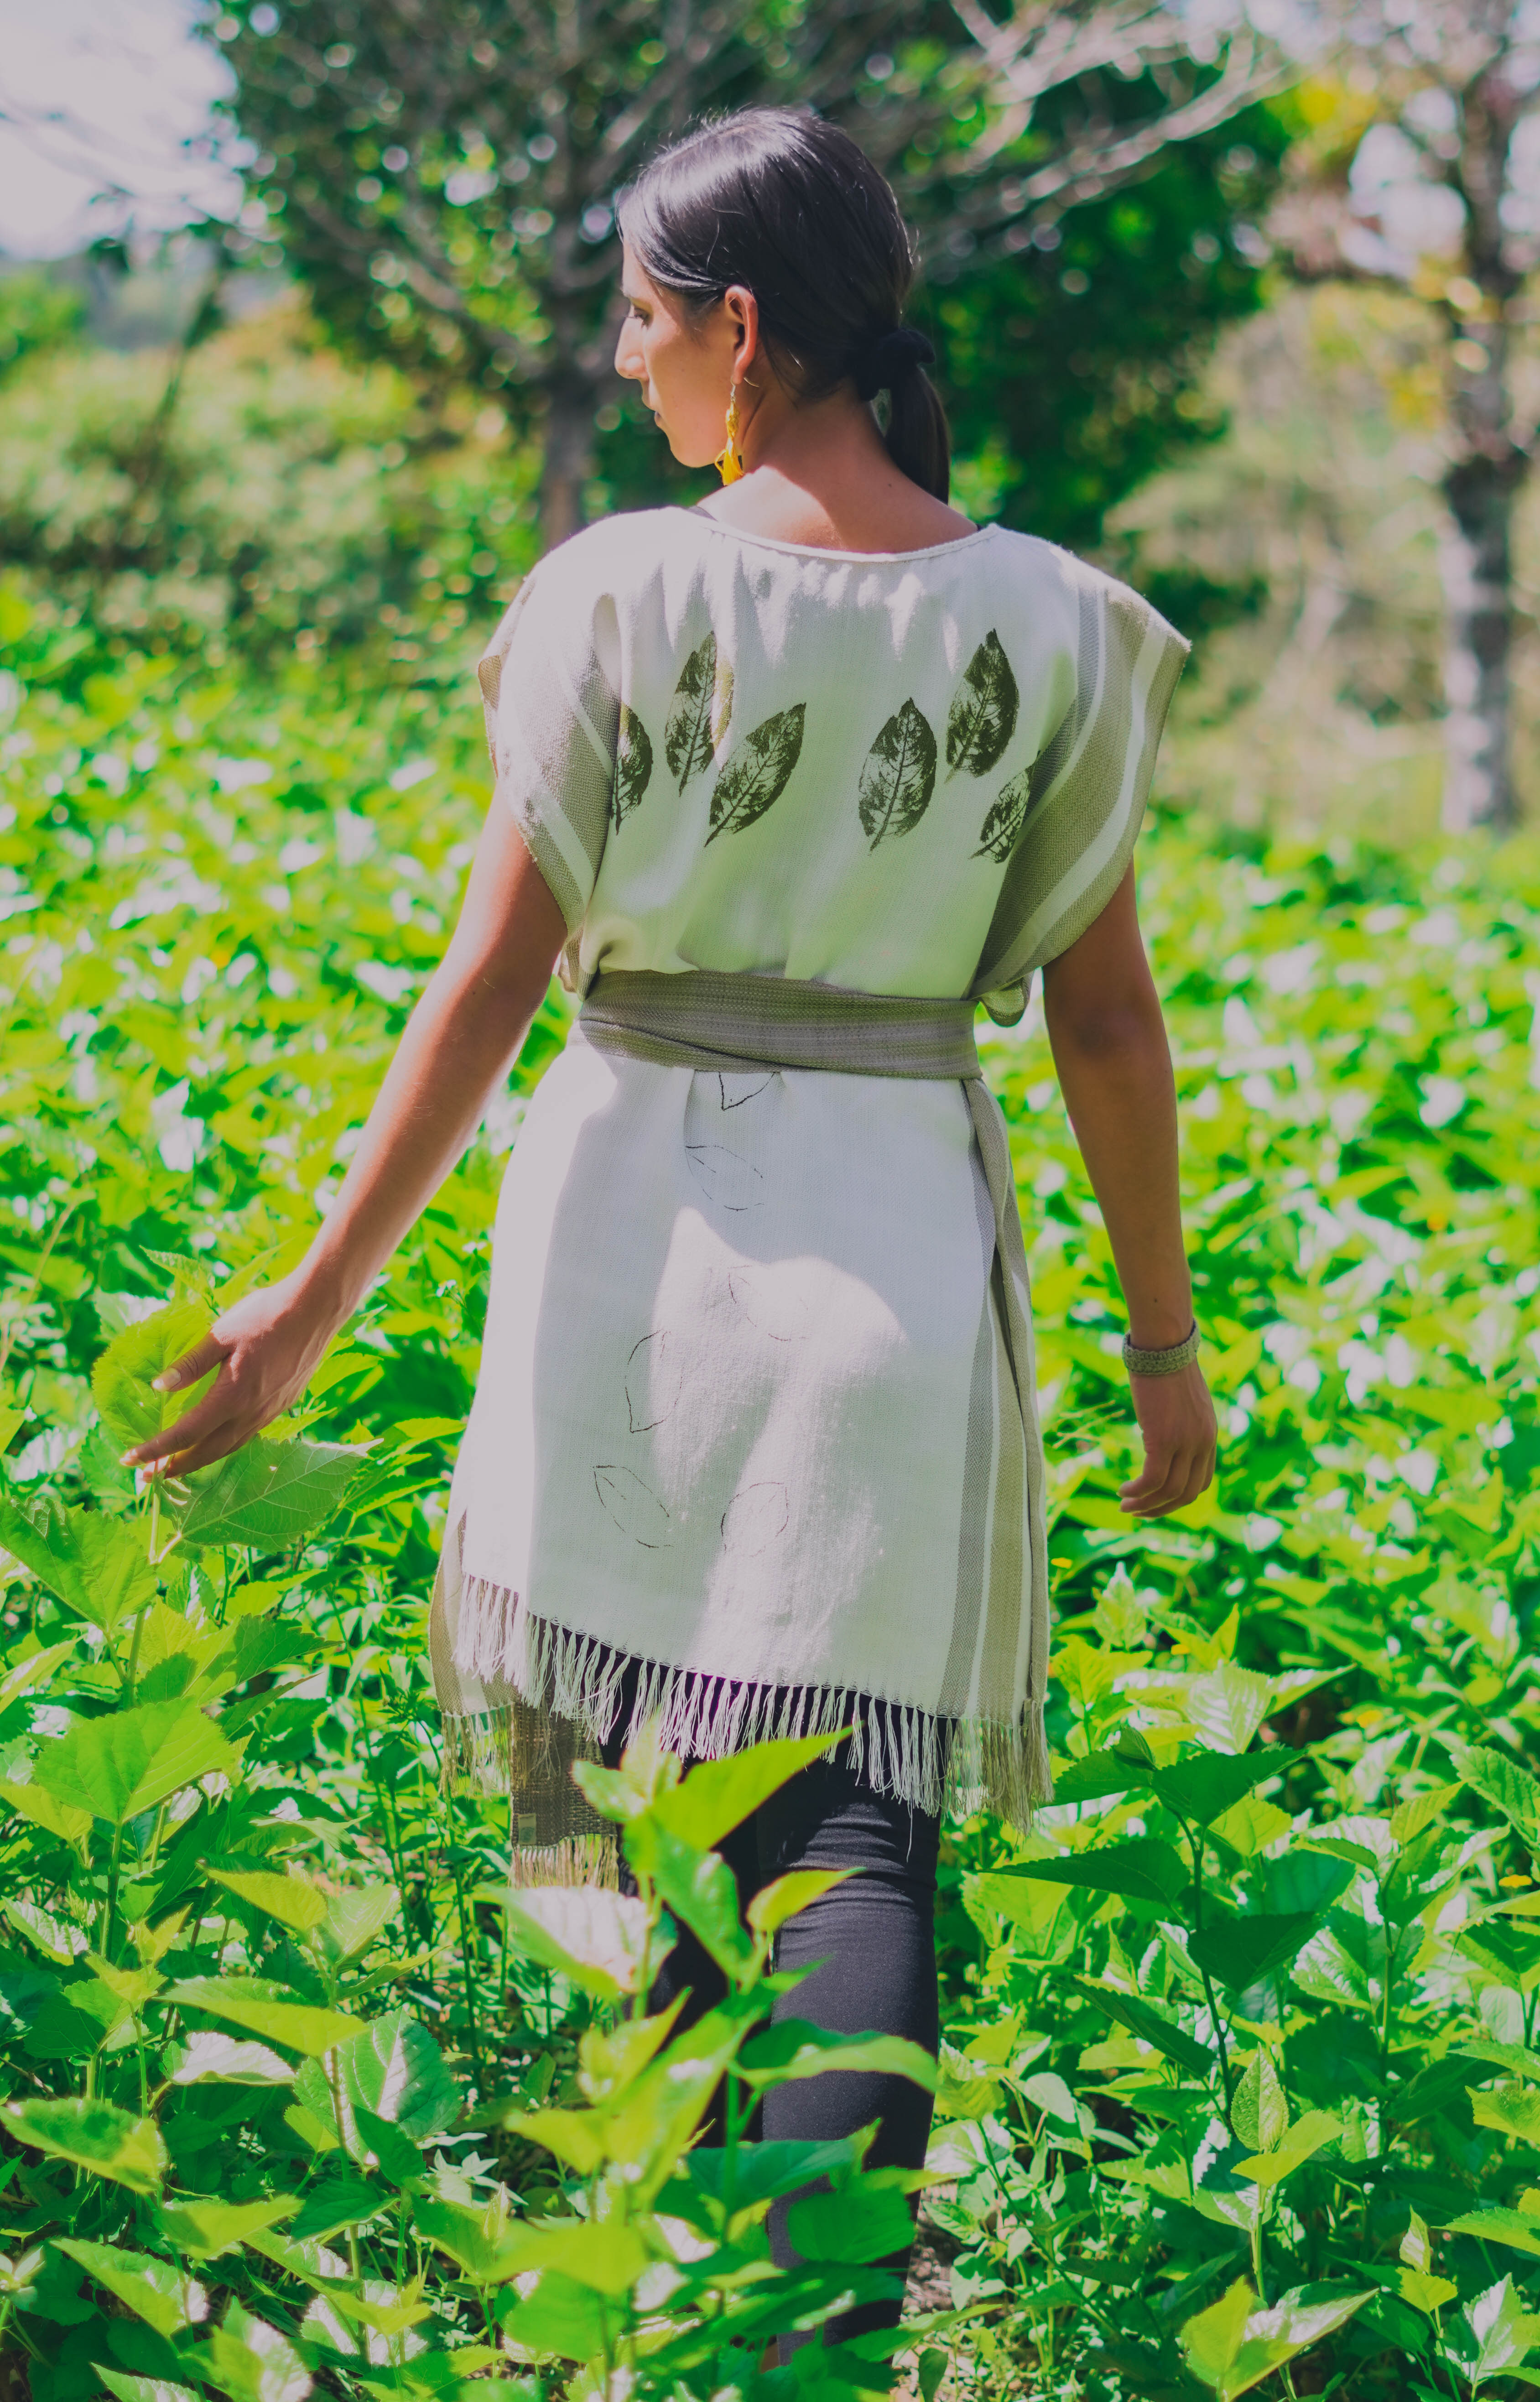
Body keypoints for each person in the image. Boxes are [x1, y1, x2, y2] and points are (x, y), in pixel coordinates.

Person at [127, 106, 1216, 2353]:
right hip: (901, 1267)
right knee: (850, 1839)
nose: (624, 364)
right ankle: (809, 2344)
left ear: (740, 329)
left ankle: (679, 2302)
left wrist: (311, 1312)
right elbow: (1106, 1033)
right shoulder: (1055, 623)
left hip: (636, 1250)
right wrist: (1164, 1349)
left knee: (639, 1811)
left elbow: (494, 982)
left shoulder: (625, 589)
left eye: (641, 318)